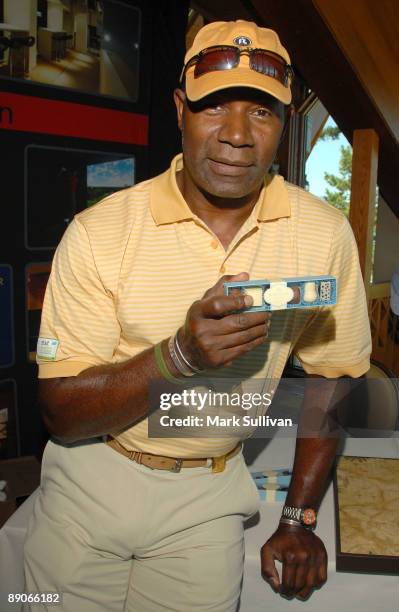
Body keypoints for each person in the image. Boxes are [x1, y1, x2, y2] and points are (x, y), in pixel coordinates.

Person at [24, 20, 371, 611]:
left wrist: (299, 517)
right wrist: (179, 356)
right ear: (180, 109)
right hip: (90, 481)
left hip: (210, 495)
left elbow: (331, 377)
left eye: (261, 111)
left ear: (284, 124)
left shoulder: (323, 234)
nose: (236, 135)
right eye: (214, 107)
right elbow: (62, 415)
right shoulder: (100, 232)